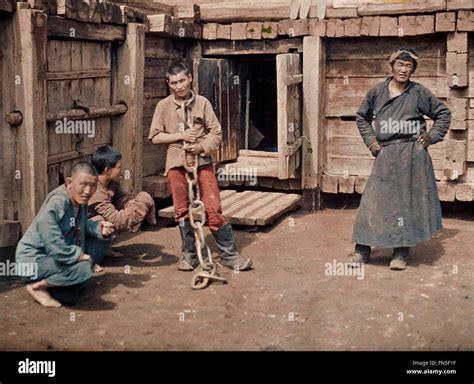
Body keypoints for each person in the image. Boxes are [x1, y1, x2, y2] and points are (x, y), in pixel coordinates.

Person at [351, 47, 451, 270]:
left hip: (411, 155)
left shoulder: (418, 93)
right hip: (386, 152)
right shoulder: (377, 91)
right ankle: (362, 249)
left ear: (413, 70)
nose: (403, 70)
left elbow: (443, 114)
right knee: (372, 201)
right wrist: (371, 142)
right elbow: (361, 117)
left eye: (408, 66)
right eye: (400, 64)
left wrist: (430, 137)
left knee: (406, 204)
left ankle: (400, 253)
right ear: (392, 66)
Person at [148, 62, 252, 272]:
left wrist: (201, 147)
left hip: (202, 163)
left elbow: (216, 133)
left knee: (212, 208)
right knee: (181, 210)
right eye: (174, 83)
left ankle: (229, 256)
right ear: (168, 83)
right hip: (176, 163)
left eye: (182, 81)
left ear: (190, 79)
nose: (179, 86)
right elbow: (155, 136)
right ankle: (189, 255)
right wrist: (181, 136)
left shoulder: (202, 103)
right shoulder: (163, 106)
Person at [15, 162, 115, 307]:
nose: (87, 191)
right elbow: (47, 229)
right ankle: (37, 287)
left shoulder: (80, 200)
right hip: (33, 260)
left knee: (71, 295)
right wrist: (75, 256)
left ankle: (53, 284)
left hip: (51, 259)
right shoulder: (59, 200)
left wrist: (99, 228)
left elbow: (80, 224)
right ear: (69, 182)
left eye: (92, 185)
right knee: (84, 267)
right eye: (83, 184)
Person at [88, 145, 157, 271]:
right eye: (119, 167)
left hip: (95, 231)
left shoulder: (112, 182)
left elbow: (124, 201)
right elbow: (117, 222)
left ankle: (102, 249)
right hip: (79, 234)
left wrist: (138, 204)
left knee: (114, 216)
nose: (121, 170)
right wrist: (144, 200)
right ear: (107, 170)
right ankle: (89, 260)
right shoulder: (95, 190)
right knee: (101, 220)